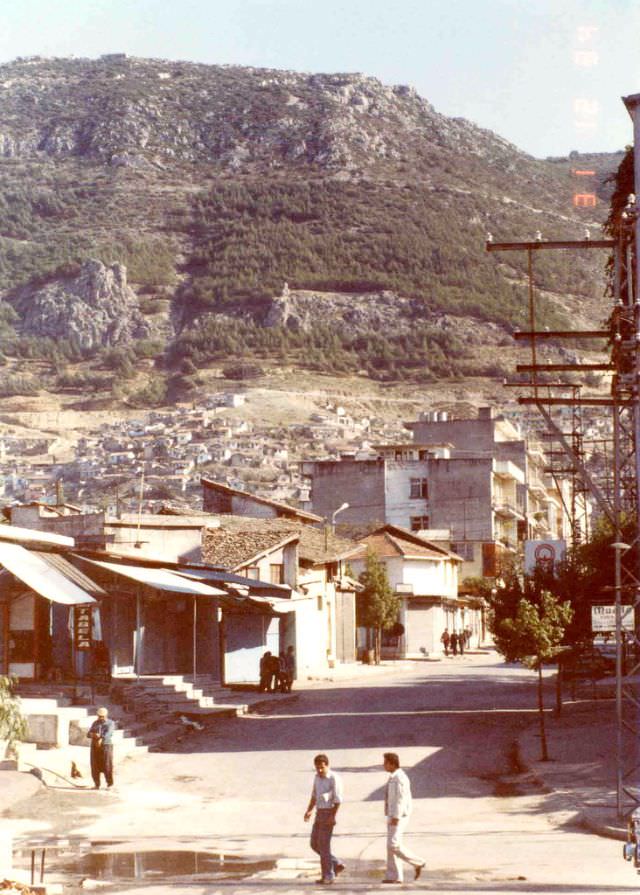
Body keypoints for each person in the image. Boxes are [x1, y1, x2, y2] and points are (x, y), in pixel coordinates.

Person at [382, 752, 426, 884]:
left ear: (392, 763)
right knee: (390, 846)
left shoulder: (400, 778)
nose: (384, 765)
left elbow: (400, 800)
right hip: (393, 814)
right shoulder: (393, 777)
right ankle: (394, 876)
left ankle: (418, 862)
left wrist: (396, 816)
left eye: (385, 763)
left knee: (393, 845)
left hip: (399, 816)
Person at [304, 753, 345, 884]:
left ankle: (328, 875)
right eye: (317, 768)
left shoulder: (334, 778)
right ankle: (335, 863)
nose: (320, 770)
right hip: (319, 813)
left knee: (324, 845)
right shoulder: (317, 778)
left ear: (327, 765)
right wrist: (309, 810)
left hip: (328, 813)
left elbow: (338, 800)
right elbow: (314, 795)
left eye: (322, 767)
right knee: (314, 844)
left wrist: (333, 816)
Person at [87, 706, 116, 790]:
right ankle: (97, 784)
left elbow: (108, 734)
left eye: (103, 716)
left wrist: (101, 737)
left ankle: (109, 784)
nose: (101, 718)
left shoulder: (110, 723)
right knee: (95, 765)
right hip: (95, 746)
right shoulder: (95, 723)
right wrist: (93, 735)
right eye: (99, 716)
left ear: (106, 715)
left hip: (106, 746)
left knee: (107, 765)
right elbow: (88, 734)